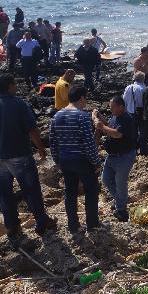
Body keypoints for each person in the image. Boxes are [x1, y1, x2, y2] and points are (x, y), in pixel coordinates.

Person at [0, 74, 57, 247]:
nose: (16, 87)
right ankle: (42, 223)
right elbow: (32, 130)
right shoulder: (20, 105)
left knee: (5, 194)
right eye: (14, 84)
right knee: (31, 191)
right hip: (20, 156)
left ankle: (12, 228)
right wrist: (41, 148)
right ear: (10, 86)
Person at [50, 86, 101, 233]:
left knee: (70, 192)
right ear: (82, 98)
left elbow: (53, 141)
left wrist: (57, 160)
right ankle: (92, 224)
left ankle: (73, 226)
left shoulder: (57, 116)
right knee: (91, 191)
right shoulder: (82, 116)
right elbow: (88, 142)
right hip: (81, 160)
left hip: (65, 160)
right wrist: (96, 162)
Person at [92, 96, 137, 221]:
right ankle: (119, 200)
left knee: (120, 182)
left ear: (121, 107)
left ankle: (121, 210)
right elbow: (110, 127)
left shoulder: (127, 119)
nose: (110, 109)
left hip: (124, 156)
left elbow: (117, 134)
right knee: (106, 179)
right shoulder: (115, 117)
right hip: (112, 155)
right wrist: (102, 120)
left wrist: (101, 127)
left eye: (112, 107)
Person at [123, 71, 147, 153]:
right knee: (143, 133)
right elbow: (144, 103)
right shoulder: (143, 88)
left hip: (130, 113)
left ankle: (133, 150)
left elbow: (124, 101)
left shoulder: (128, 87)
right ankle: (143, 150)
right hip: (140, 113)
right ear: (143, 79)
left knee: (133, 132)